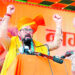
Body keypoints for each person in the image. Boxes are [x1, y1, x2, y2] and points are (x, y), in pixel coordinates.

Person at [1, 5, 62, 75]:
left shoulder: (39, 46)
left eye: (30, 30)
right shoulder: (11, 43)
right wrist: (8, 14)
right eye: (25, 29)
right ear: (19, 33)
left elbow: (56, 44)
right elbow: (2, 35)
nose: (28, 32)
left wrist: (58, 24)